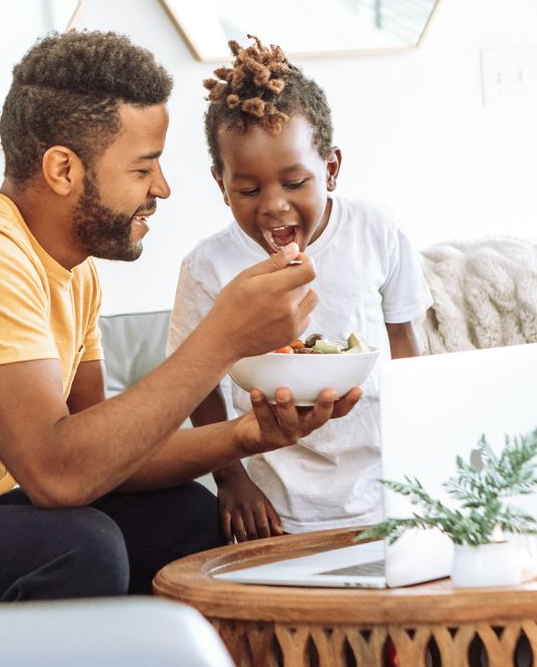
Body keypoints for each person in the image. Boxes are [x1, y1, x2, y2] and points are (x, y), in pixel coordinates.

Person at [0, 30, 363, 611]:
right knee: (80, 547)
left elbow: (103, 455)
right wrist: (224, 337)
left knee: (187, 517)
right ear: (64, 169)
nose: (163, 189)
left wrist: (247, 436)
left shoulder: (75, 272)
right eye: (144, 168)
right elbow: (57, 474)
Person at [167, 36, 432, 541]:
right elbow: (198, 387)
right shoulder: (208, 267)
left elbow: (404, 341)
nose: (273, 207)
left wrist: (423, 454)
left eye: (294, 183)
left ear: (330, 169)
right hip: (279, 503)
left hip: (388, 488)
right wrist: (231, 480)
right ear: (220, 184)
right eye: (247, 190)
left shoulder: (377, 229)